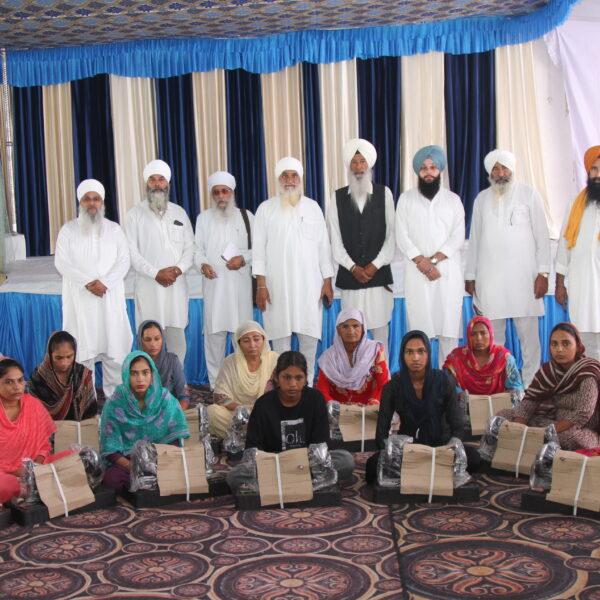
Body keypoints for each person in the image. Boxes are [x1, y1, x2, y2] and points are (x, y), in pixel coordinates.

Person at [465, 149, 551, 386]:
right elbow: (475, 239)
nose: (500, 173)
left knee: (529, 340)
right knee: (494, 339)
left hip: (524, 279)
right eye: (495, 169)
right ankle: (498, 388)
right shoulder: (481, 199)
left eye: (504, 168)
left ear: (512, 170)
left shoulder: (529, 194)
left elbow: (542, 236)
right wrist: (470, 274)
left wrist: (543, 273)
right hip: (490, 279)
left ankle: (531, 388)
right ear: (490, 172)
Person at [253, 157, 334, 384]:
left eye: (294, 175)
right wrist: (261, 285)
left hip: (309, 285)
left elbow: (323, 247)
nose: (290, 180)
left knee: (309, 338)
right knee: (280, 341)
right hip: (276, 286)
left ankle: (306, 385)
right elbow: (258, 251)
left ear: (300, 179)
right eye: (285, 176)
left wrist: (327, 281)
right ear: (278, 180)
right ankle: (282, 386)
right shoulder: (265, 209)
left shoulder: (313, 207)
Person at [226, 351, 355, 493]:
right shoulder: (263, 404)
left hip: (307, 463)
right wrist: (275, 462)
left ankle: (280, 484)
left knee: (346, 460)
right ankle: (306, 483)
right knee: (234, 476)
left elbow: (322, 443)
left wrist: (302, 462)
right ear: (277, 377)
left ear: (306, 378)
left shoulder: (315, 399)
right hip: (274, 464)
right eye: (286, 377)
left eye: (298, 378)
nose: (292, 384)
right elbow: (253, 448)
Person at [365, 331, 478, 484]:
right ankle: (431, 471)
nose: (415, 357)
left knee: (474, 458)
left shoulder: (443, 380)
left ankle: (420, 471)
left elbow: (457, 425)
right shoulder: (393, 386)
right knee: (372, 467)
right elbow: (381, 432)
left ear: (428, 353)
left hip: (441, 447)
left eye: (421, 351)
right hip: (408, 450)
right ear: (402, 355)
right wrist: (392, 452)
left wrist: (450, 448)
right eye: (409, 352)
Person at [55, 179, 132, 398]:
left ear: (102, 202)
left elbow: (124, 261)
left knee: (114, 351)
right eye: (87, 199)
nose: (92, 203)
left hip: (109, 297)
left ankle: (116, 401)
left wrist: (105, 282)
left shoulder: (114, 230)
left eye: (96, 199)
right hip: (81, 300)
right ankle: (86, 403)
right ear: (80, 202)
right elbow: (61, 262)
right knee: (83, 353)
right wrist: (88, 282)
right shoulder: (68, 230)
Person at [395, 146, 465, 366]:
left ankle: (448, 379)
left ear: (440, 170)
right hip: (417, 273)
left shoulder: (453, 200)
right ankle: (421, 379)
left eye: (433, 167)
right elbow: (401, 235)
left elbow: (458, 236)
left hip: (446, 272)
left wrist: (433, 261)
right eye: (424, 168)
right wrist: (422, 263)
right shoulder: (406, 199)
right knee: (420, 330)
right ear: (418, 172)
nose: (428, 172)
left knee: (448, 330)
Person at [125, 160, 195, 364]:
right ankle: (148, 381)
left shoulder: (179, 212)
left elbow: (190, 247)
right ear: (146, 184)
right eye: (152, 179)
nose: (157, 184)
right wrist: (156, 273)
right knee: (149, 341)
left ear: (168, 183)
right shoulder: (134, 215)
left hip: (175, 286)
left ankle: (176, 380)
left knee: (177, 341)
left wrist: (178, 269)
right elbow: (131, 253)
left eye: (161, 179)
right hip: (149, 287)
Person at [327, 139, 395, 349]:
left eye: (362, 161)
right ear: (348, 166)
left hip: (378, 276)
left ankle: (382, 370)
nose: (358, 167)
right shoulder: (337, 197)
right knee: (352, 334)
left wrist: (375, 265)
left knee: (380, 334)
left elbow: (392, 236)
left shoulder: (384, 193)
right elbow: (335, 240)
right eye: (354, 162)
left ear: (369, 165)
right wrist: (353, 267)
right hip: (351, 278)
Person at [194, 171, 254, 388]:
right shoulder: (203, 218)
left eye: (225, 191)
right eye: (216, 192)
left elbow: (259, 249)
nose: (221, 196)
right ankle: (216, 386)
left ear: (232, 192)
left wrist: (243, 258)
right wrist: (203, 265)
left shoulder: (247, 217)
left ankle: (243, 383)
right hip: (215, 286)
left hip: (240, 288)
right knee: (214, 338)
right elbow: (196, 250)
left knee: (243, 337)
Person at [498, 323, 600, 450]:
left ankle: (536, 440)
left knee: (566, 437)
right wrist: (518, 428)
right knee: (503, 416)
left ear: (578, 346)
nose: (559, 349)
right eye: (554, 344)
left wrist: (548, 431)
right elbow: (528, 403)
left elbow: (583, 413)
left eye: (566, 344)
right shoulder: (548, 371)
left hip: (583, 430)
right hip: (554, 422)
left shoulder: (587, 372)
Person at [100, 351, 190, 493]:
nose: (140, 379)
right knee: (111, 479)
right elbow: (110, 448)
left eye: (145, 373)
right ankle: (149, 481)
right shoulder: (115, 403)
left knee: (184, 467)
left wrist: (157, 463)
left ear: (152, 374)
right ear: (126, 375)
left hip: (159, 458)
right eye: (134, 373)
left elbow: (176, 436)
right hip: (128, 460)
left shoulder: (165, 399)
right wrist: (133, 466)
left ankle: (147, 481)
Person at [0, 359, 73, 505]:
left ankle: (30, 489)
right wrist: (18, 472)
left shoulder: (32, 404)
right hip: (6, 475)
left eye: (20, 380)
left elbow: (44, 446)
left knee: (74, 458)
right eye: (9, 382)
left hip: (36, 468)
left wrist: (35, 468)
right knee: (5, 485)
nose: (17, 387)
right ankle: (40, 487)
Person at [556, 145, 600, 360]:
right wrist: (559, 283)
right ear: (588, 172)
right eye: (594, 169)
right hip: (582, 285)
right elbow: (564, 245)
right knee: (584, 340)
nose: (598, 175)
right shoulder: (575, 204)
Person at [207, 321, 279, 438]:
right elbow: (220, 397)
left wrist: (261, 411)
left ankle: (242, 435)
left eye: (256, 339)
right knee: (212, 412)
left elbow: (282, 392)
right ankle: (254, 435)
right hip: (238, 412)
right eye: (246, 341)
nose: (252, 344)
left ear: (263, 340)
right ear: (239, 343)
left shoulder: (274, 359)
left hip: (266, 413)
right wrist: (244, 411)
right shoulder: (230, 362)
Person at [316, 308, 390, 405]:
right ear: (338, 330)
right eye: (345, 326)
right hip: (337, 409)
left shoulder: (374, 350)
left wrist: (372, 405)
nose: (351, 331)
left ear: (363, 328)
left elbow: (383, 384)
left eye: (355, 326)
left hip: (369, 409)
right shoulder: (329, 357)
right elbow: (322, 389)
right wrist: (334, 407)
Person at [443, 316, 524, 396]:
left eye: (483, 333)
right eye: (473, 334)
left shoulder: (503, 357)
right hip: (465, 404)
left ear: (490, 334)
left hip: (499, 403)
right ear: (468, 336)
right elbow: (448, 385)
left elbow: (516, 388)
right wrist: (460, 396)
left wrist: (510, 395)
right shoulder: (457, 357)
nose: (478, 338)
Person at [29, 331, 97, 420]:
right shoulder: (38, 377)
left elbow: (90, 411)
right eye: (58, 358)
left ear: (75, 354)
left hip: (78, 427)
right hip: (45, 426)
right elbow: (32, 413)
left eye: (69, 357)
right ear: (49, 355)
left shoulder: (82, 374)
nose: (64, 363)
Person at [137, 320, 190, 410]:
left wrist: (176, 414)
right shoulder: (135, 363)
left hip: (169, 412)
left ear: (163, 339)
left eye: (157, 339)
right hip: (142, 413)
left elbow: (184, 397)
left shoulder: (172, 361)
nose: (153, 344)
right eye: (148, 340)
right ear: (140, 341)